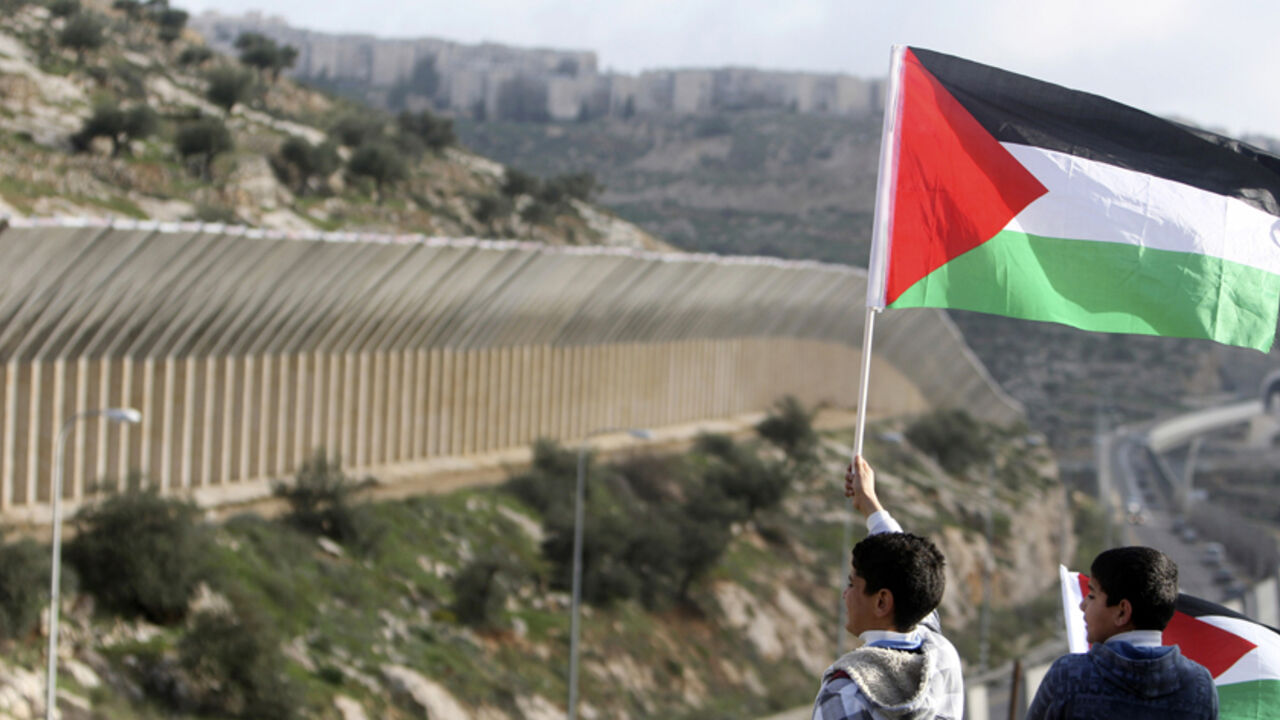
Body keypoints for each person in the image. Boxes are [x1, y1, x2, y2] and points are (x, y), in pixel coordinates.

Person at [812, 455, 964, 720]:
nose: (845, 594)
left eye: (852, 584)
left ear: (882, 601)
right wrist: (868, 501)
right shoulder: (942, 657)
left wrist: (868, 501)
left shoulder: (845, 694)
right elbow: (910, 572)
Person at [1025, 546, 1218, 720]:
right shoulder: (1199, 686)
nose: (1083, 605)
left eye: (1091, 595)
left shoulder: (1069, 676)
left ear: (1122, 611)